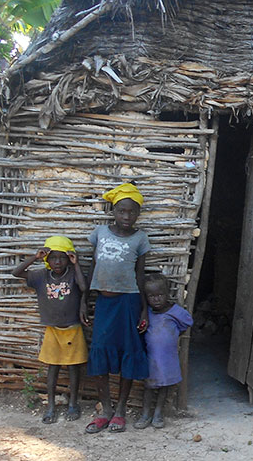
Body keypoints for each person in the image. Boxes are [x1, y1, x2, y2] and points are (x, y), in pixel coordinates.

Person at [84, 183, 152, 434]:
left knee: (129, 352)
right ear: (113, 211)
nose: (126, 217)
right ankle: (106, 409)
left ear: (137, 215)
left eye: (132, 212)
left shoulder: (140, 238)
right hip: (104, 302)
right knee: (100, 352)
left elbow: (140, 275)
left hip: (129, 302)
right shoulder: (100, 233)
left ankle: (121, 409)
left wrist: (144, 310)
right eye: (122, 211)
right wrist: (84, 300)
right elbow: (91, 267)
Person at [12, 235, 88, 424]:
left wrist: (76, 264)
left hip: (73, 329)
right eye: (53, 257)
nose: (57, 262)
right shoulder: (41, 276)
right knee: (52, 368)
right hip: (52, 330)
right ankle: (51, 405)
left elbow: (84, 287)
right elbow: (16, 272)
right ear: (47, 258)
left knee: (73, 368)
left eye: (62, 258)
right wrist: (35, 258)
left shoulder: (72, 274)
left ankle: (73, 404)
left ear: (69, 258)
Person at [134, 274, 193, 430]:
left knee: (164, 387)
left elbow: (186, 323)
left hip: (168, 358)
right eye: (151, 296)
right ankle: (145, 414)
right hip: (151, 359)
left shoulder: (175, 312)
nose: (156, 299)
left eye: (160, 295)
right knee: (148, 387)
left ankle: (158, 413)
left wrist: (172, 337)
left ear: (168, 294)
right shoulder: (147, 314)